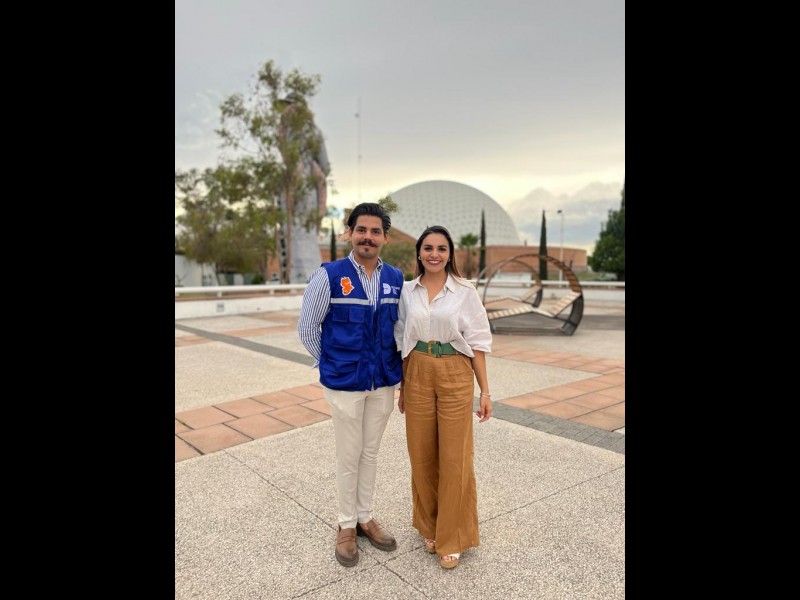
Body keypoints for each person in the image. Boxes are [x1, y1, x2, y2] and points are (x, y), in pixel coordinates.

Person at [297, 202, 404, 567]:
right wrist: (332, 362)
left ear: (385, 238)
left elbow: (399, 329)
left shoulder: (395, 279)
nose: (367, 237)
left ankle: (365, 517)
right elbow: (308, 328)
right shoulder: (329, 275)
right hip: (345, 383)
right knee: (348, 453)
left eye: (375, 231)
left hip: (382, 382)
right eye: (361, 230)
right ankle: (346, 525)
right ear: (349, 233)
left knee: (370, 453)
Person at [394, 225, 493, 570]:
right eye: (428, 248)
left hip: (455, 371)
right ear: (419, 253)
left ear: (450, 254)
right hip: (417, 370)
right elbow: (401, 339)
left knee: (454, 456)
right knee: (421, 453)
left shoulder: (465, 291)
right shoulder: (408, 292)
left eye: (441, 248)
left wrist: (485, 391)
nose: (434, 254)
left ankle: (453, 536)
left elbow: (478, 342)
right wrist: (403, 387)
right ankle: (429, 525)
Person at [277, 91, 331, 284]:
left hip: (297, 186)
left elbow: (324, 166)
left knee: (297, 234)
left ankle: (300, 279)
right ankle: (305, 279)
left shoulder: (284, 131)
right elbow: (325, 166)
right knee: (302, 235)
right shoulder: (311, 131)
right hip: (303, 187)